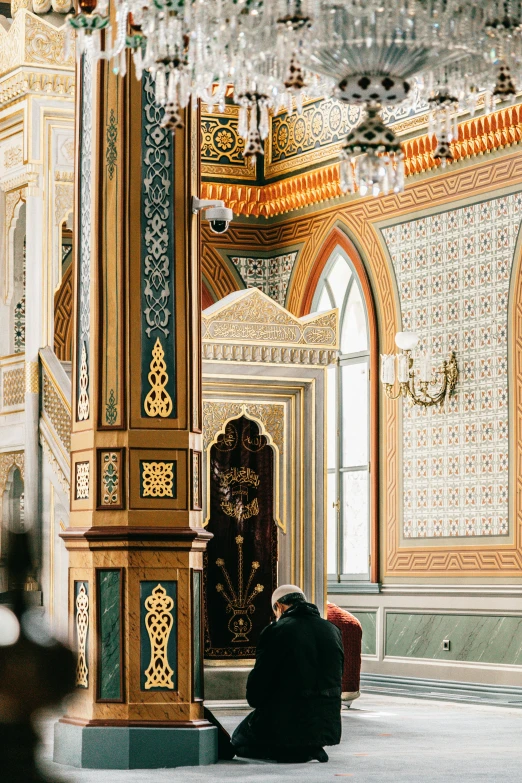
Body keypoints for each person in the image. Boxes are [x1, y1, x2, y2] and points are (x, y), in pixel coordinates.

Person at [231, 584, 344, 763]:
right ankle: (311, 747)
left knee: (237, 740)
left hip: (288, 723)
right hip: (325, 725)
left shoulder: (276, 631)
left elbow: (256, 690)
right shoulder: (332, 630)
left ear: (279, 606)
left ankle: (292, 750)